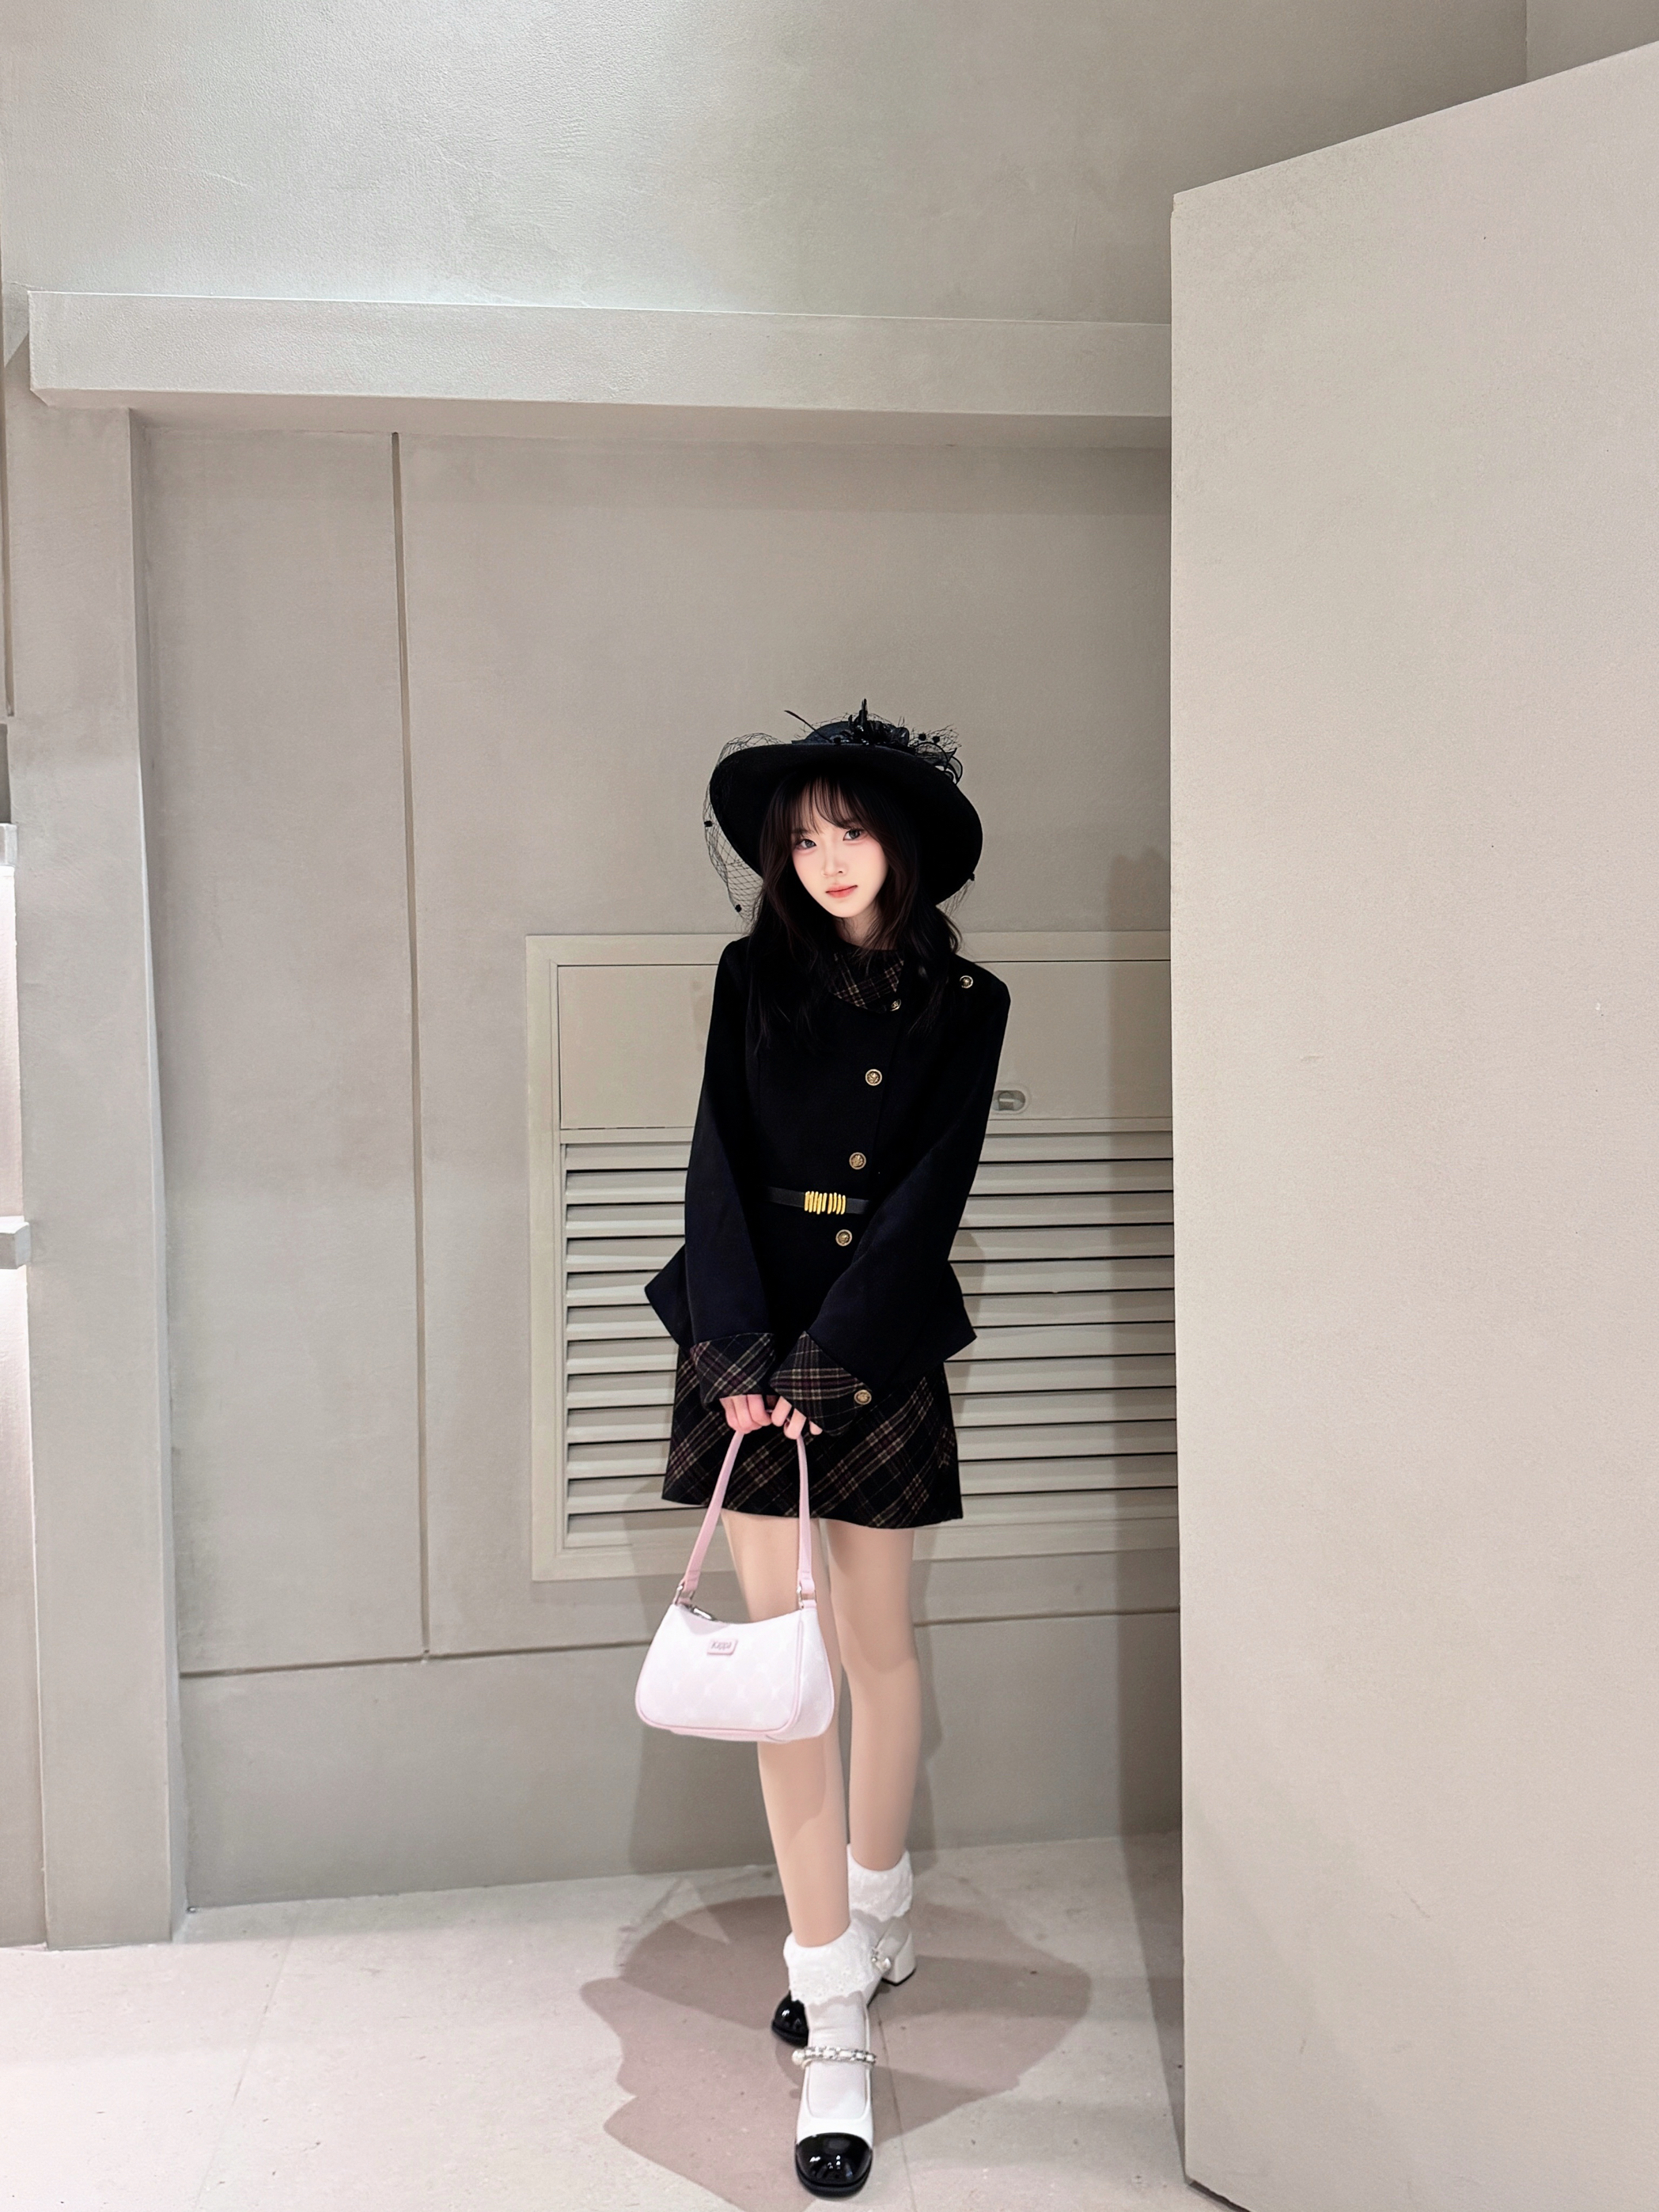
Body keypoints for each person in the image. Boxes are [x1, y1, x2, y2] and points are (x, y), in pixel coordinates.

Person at [646, 703, 1009, 2199]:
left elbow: (932, 1192)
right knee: (782, 1672)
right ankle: (832, 2007)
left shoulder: (968, 1001)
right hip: (743, 1345)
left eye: (849, 831)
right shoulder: (751, 978)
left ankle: (878, 1900)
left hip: (877, 1345)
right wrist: (739, 1356)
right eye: (800, 840)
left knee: (876, 1648)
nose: (827, 859)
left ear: (900, 843)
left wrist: (830, 1359)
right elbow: (714, 1160)